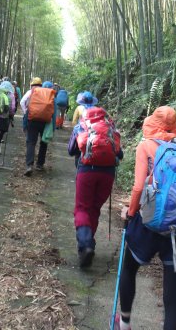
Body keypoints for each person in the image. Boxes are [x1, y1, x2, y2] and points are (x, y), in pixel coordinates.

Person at [114, 106, 176, 330]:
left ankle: (125, 323)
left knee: (129, 268)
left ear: (152, 124)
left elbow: (138, 187)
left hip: (149, 223)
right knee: (173, 300)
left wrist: (130, 214)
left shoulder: (146, 146)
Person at [68, 105, 122, 268]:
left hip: (87, 171)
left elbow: (71, 150)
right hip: (108, 174)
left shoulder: (82, 126)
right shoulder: (111, 129)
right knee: (95, 208)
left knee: (82, 208)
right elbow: (120, 154)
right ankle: (88, 243)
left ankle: (86, 244)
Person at [20, 78, 55, 176]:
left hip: (32, 120)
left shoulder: (33, 92)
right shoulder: (50, 95)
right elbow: (54, 112)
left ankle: (29, 165)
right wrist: (53, 127)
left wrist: (25, 124)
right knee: (43, 142)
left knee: (31, 143)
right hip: (46, 122)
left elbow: (27, 109)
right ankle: (40, 164)